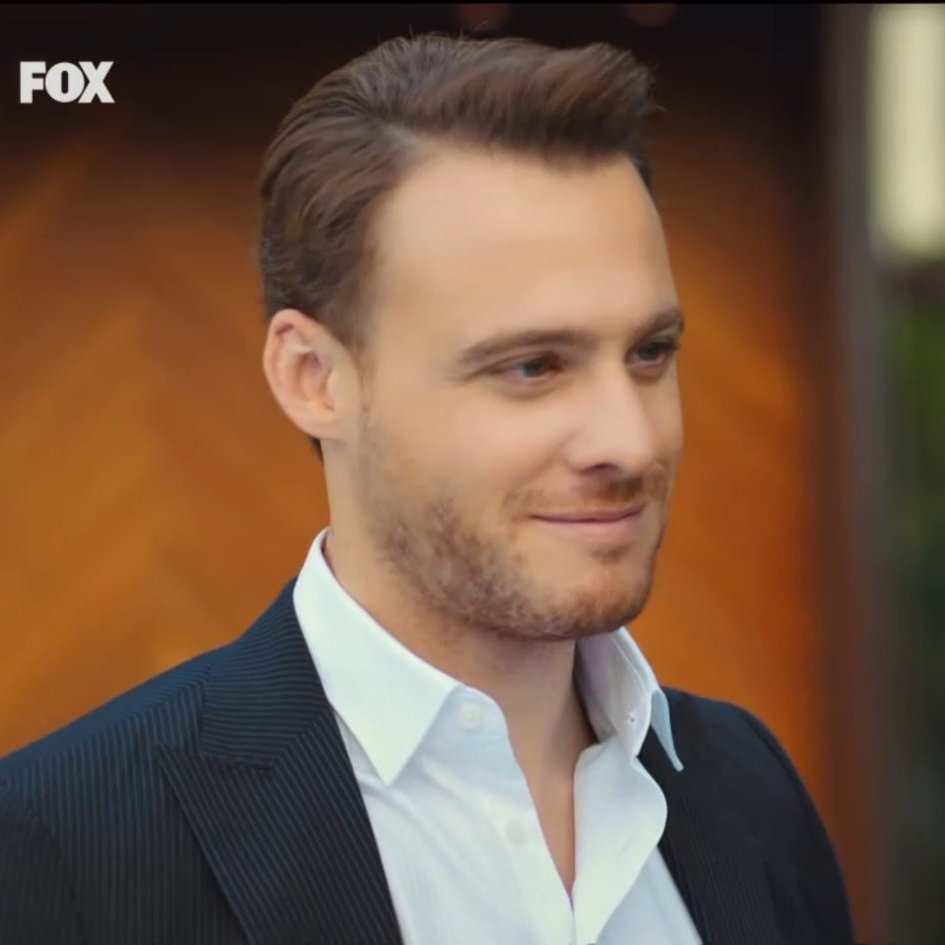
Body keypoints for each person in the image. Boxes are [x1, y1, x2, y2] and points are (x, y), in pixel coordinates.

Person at [0, 33, 853, 945]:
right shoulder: (62, 847)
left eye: (649, 352)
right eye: (531, 366)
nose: (630, 439)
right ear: (313, 377)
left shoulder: (748, 792)